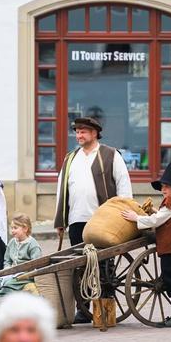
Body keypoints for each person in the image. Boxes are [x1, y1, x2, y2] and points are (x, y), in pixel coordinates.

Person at [53, 117, 132, 324]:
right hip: (77, 219)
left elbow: (123, 185)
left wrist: (124, 214)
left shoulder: (110, 155)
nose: (79, 136)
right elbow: (61, 189)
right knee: (81, 266)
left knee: (104, 265)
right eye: (77, 132)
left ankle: (104, 307)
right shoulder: (70, 158)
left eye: (83, 132)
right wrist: (60, 220)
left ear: (95, 133)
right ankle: (84, 308)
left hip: (103, 220)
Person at [121, 160, 171, 327]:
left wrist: (136, 217)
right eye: (162, 187)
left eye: (166, 187)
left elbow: (157, 220)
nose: (163, 190)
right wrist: (154, 211)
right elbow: (165, 217)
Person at [0, 214, 43, 312]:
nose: (12, 231)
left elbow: (36, 264)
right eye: (11, 228)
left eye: (15, 228)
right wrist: (7, 269)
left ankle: (7, 305)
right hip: (12, 272)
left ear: (25, 228)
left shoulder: (32, 245)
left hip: (25, 275)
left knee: (8, 284)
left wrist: (24, 272)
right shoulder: (12, 242)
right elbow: (7, 260)